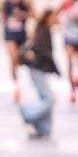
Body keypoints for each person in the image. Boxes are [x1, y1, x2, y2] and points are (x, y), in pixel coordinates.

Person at [18, 8, 60, 139]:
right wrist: (56, 69)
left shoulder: (43, 29)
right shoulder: (44, 31)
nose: (57, 19)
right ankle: (28, 114)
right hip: (37, 69)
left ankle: (44, 129)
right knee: (50, 99)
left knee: (44, 98)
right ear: (49, 18)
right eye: (54, 16)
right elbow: (42, 51)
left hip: (39, 69)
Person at [1, 0, 33, 93]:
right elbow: (4, 15)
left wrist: (22, 15)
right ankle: (16, 85)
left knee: (20, 60)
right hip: (10, 33)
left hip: (21, 34)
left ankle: (19, 80)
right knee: (13, 57)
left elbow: (32, 14)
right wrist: (3, 21)